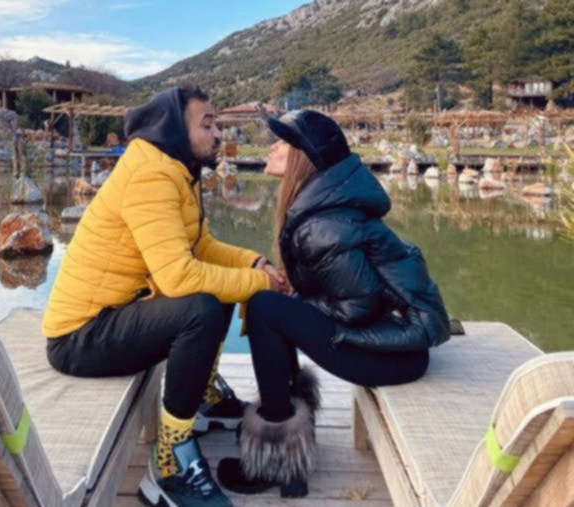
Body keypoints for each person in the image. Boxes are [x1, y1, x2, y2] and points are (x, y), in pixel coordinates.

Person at [42, 84, 286, 507]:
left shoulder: (177, 170)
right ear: (176, 129)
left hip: (118, 311)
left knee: (222, 282)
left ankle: (202, 396)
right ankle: (170, 462)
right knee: (200, 308)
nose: (218, 134)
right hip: (80, 336)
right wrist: (260, 284)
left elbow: (202, 247)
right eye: (207, 125)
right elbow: (178, 278)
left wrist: (254, 264)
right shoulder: (150, 175)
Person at [218, 110, 451, 498]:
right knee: (274, 307)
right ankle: (285, 426)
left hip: (395, 355)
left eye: (283, 142)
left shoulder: (322, 224)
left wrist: (296, 300)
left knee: (265, 308)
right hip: (396, 343)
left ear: (303, 157)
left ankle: (277, 460)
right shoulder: (320, 210)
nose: (272, 147)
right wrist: (296, 300)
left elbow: (359, 307)